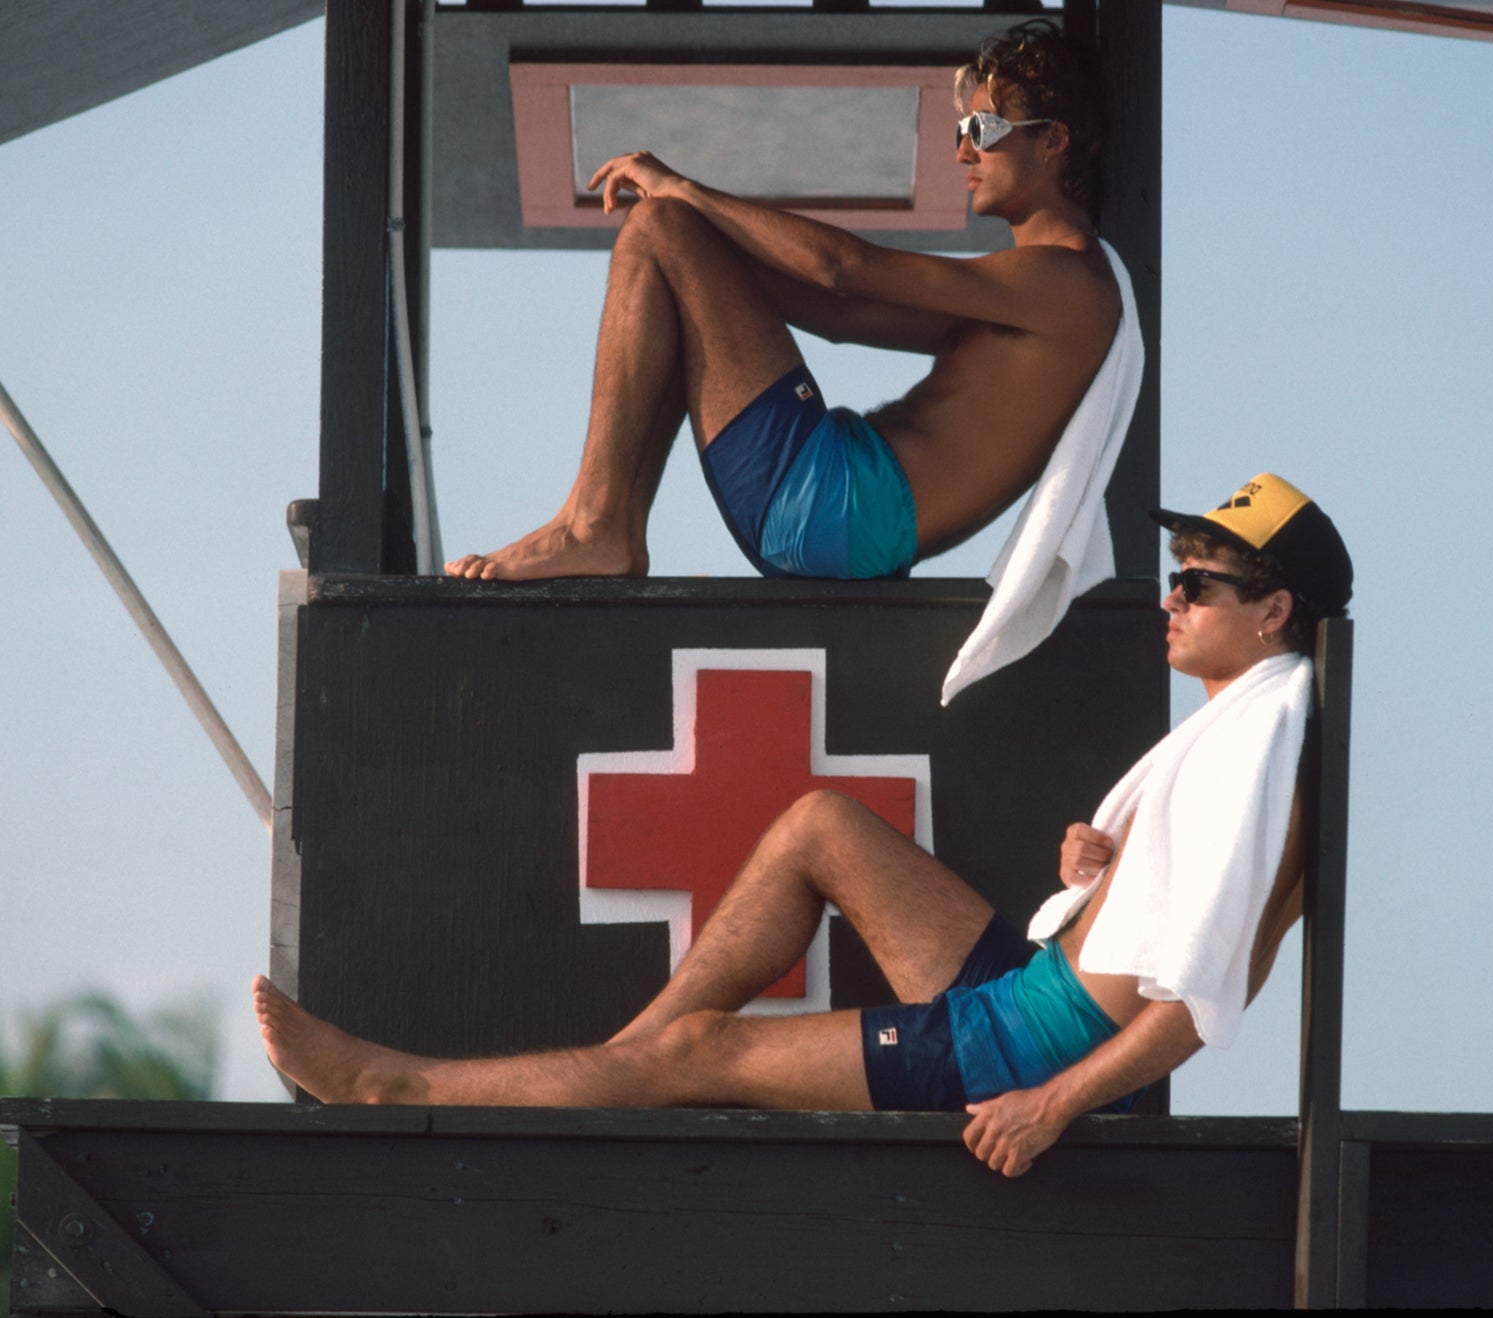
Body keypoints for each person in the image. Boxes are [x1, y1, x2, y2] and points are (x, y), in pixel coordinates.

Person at [255, 472, 1354, 1177]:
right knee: (821, 825)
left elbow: (1200, 998)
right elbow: (1189, 914)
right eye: (1174, 578)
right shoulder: (1240, 727)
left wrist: (1047, 1108)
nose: (1172, 598)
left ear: (1272, 613)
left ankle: (394, 1084)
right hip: (1024, 983)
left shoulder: (1259, 749)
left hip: (1023, 1045)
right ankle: (632, 1067)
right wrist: (1100, 871)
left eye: (1198, 587)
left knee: (700, 1051)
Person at [443, 21, 1128, 586]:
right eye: (959, 132)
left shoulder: (1067, 284)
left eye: (982, 130)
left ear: (1053, 140)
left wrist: (683, 194)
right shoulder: (1028, 291)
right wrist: (703, 258)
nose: (961, 153)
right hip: (840, 517)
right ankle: (606, 526)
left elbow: (843, 271)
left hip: (838, 511)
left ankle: (594, 524)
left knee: (659, 223)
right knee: (671, 240)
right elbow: (841, 316)